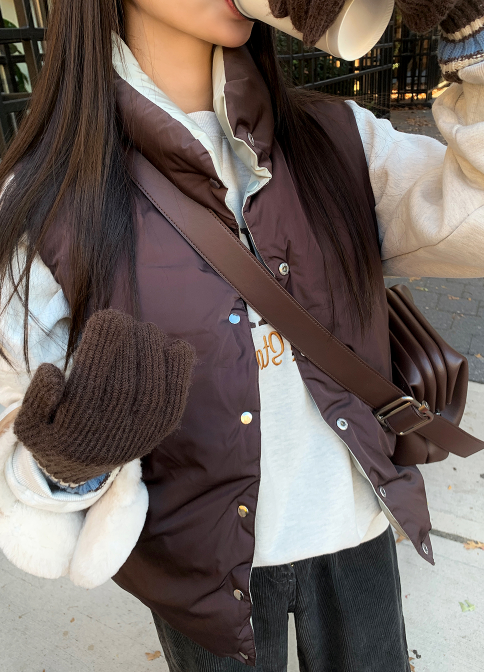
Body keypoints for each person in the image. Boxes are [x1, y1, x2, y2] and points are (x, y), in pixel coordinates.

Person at [0, 0, 483, 670]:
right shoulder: (50, 198)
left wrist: (472, 32)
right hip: (198, 568)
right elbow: (18, 425)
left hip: (356, 526)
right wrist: (76, 455)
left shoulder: (338, 138)